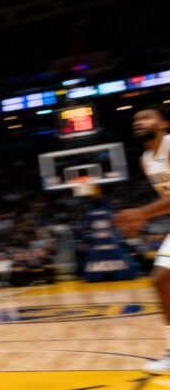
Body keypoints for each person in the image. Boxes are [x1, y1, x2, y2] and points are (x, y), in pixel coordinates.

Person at [115, 105, 170, 374]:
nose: (139, 122)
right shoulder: (146, 159)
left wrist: (142, 213)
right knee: (161, 280)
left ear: (164, 125)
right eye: (136, 118)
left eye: (147, 117)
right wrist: (141, 218)